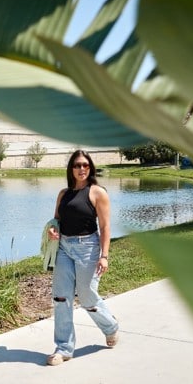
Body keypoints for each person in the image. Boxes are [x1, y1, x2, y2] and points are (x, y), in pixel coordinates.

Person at [46, 150, 119, 366]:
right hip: (64, 249)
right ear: (71, 168)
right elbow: (56, 221)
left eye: (85, 165)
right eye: (77, 165)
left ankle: (110, 326)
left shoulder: (98, 193)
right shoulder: (63, 194)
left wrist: (104, 256)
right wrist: (52, 230)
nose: (81, 169)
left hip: (88, 248)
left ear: (90, 168)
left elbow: (105, 227)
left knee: (86, 296)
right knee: (61, 298)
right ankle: (64, 348)